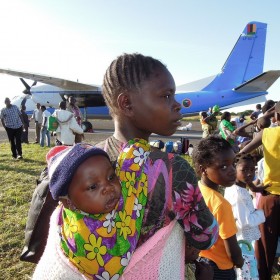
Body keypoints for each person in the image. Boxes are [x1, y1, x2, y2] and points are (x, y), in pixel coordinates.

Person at [22, 54, 219, 278]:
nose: (176, 105)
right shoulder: (173, 168)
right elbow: (204, 236)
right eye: (166, 95)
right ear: (126, 103)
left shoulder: (83, 162)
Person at [32, 140, 152, 279]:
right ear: (68, 202)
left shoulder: (86, 204)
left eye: (111, 177)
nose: (108, 187)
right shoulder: (81, 236)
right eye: (93, 187)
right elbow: (110, 267)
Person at [192, 136, 244, 279]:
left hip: (200, 263)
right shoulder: (220, 204)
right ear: (203, 169)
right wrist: (239, 262)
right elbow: (232, 249)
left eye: (234, 163)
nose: (233, 170)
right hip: (221, 269)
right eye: (223, 167)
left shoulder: (196, 190)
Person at [240, 101, 280, 280]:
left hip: (270, 197)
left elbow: (239, 156)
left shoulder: (268, 133)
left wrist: (251, 184)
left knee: (264, 248)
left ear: (276, 117)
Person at [224, 153, 266, 279]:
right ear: (234, 169)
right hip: (242, 242)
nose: (249, 173)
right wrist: (261, 214)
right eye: (244, 170)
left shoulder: (239, 189)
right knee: (245, 275)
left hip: (243, 241)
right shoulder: (238, 193)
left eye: (252, 169)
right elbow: (244, 221)